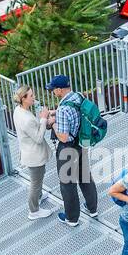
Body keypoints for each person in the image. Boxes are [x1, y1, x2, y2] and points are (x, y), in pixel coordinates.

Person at [47, 74, 99, 226]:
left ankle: (72, 218)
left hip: (67, 148)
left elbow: (63, 137)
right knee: (85, 176)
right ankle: (92, 208)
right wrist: (55, 112)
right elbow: (76, 112)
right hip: (81, 142)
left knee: (67, 183)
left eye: (53, 89)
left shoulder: (63, 109)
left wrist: (52, 122)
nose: (52, 92)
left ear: (59, 90)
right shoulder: (77, 96)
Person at [12, 86, 55, 220]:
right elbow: (38, 138)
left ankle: (39, 196)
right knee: (35, 183)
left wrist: (44, 120)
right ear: (23, 99)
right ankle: (34, 210)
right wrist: (43, 119)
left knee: (38, 179)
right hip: (34, 156)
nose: (34, 98)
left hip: (28, 152)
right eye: (31, 96)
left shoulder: (18, 110)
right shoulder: (27, 119)